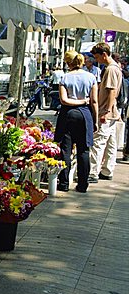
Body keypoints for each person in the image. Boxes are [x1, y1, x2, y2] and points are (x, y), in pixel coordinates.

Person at [55, 51, 98, 193]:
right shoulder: (91, 77)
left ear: (68, 63)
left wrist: (76, 101)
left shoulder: (64, 77)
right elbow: (94, 101)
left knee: (65, 150)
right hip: (85, 114)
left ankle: (64, 183)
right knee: (83, 150)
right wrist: (95, 120)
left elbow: (63, 100)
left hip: (67, 114)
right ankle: (82, 184)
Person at [88, 43, 123, 183]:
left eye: (97, 57)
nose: (97, 60)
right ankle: (107, 170)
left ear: (104, 54)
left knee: (99, 142)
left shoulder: (111, 69)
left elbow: (112, 91)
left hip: (106, 111)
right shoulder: (115, 68)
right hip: (111, 112)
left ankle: (93, 172)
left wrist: (106, 112)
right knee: (110, 142)